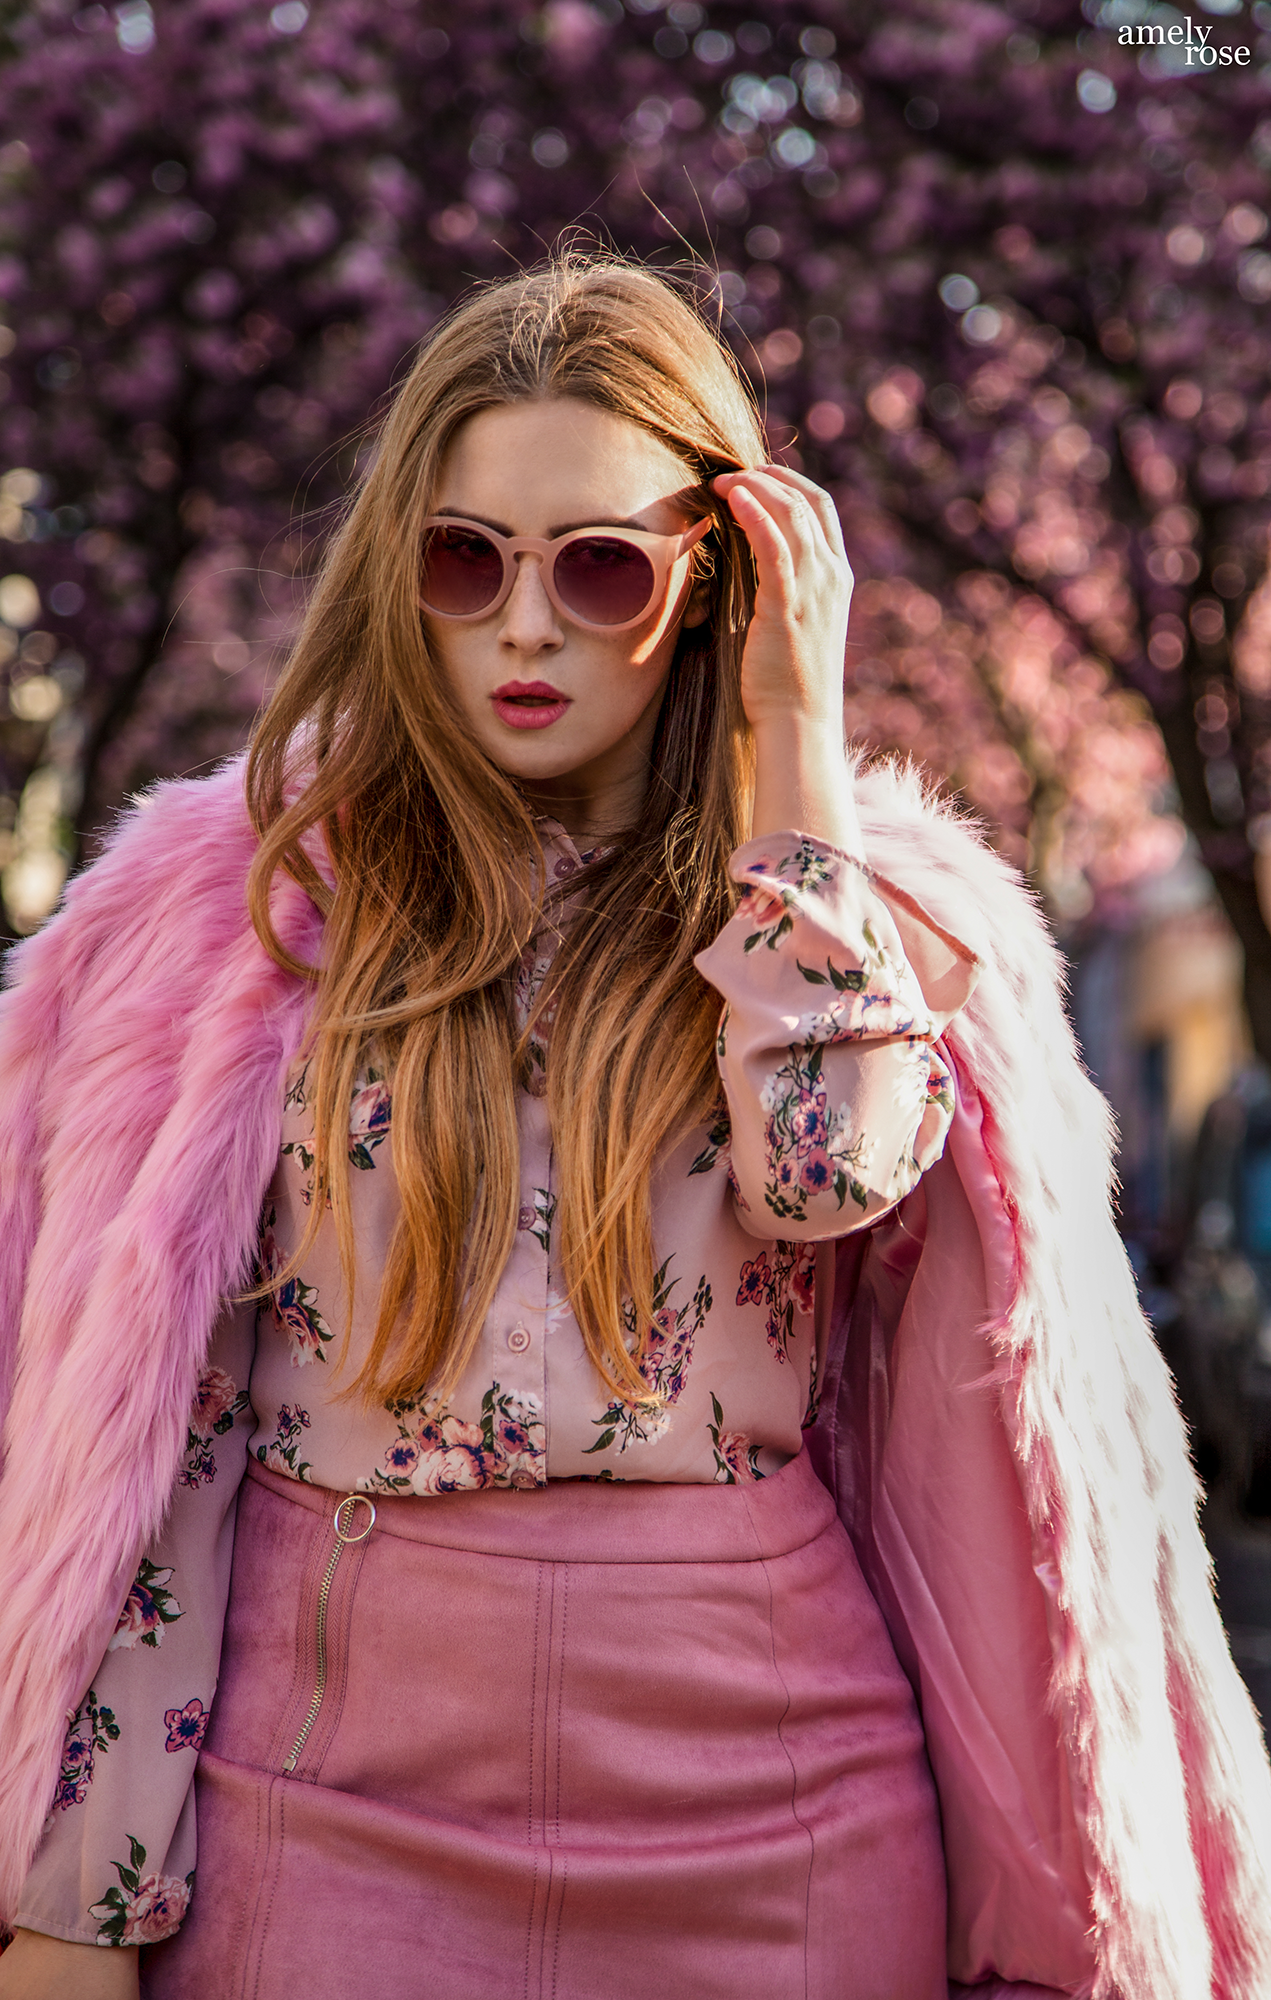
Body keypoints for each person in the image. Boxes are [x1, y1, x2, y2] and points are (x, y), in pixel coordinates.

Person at [0, 257, 1268, 2000]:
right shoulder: (238, 915)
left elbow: (827, 1173)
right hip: (319, 1810)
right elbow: (155, 1443)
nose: (524, 627)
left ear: (712, 589)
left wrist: (792, 746)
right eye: (466, 560)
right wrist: (77, 1904)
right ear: (402, 580)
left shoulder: (854, 927)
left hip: (777, 1824)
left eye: (599, 569)